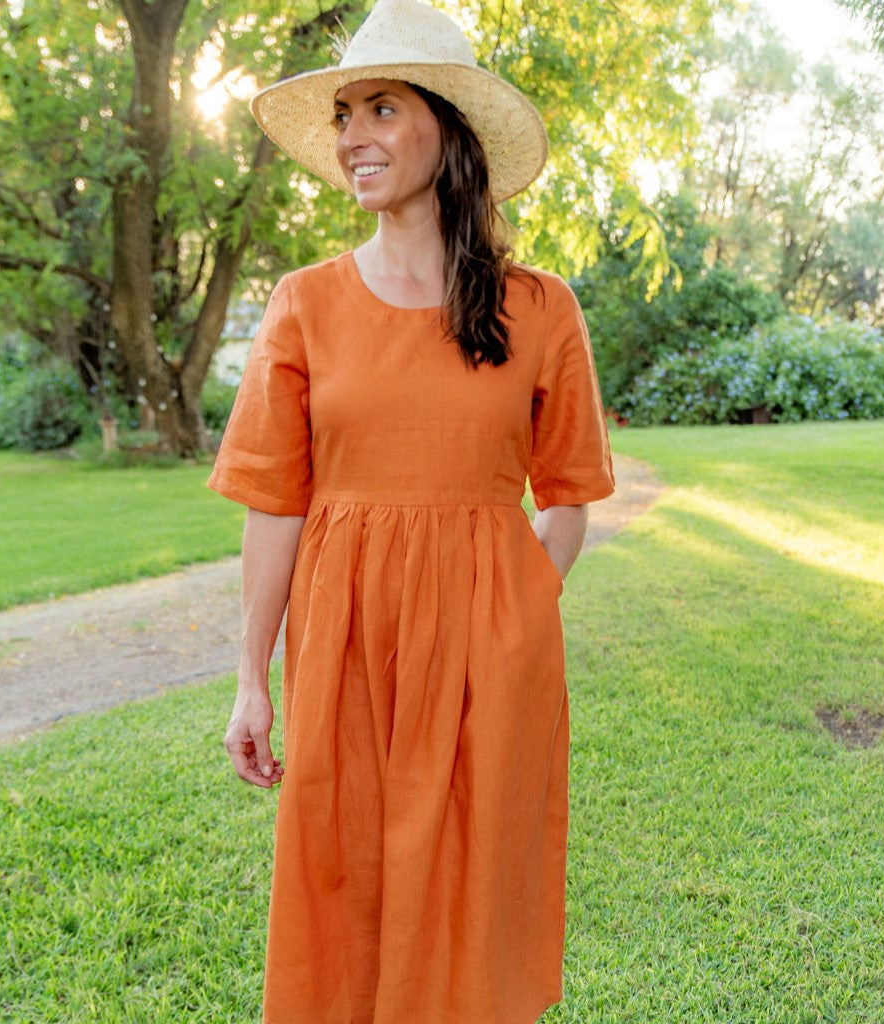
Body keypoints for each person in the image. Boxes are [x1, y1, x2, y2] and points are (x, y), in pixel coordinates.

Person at [208, 0, 615, 1021]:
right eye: (345, 113)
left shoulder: (541, 308)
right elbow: (274, 504)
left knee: (473, 884)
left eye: (380, 108)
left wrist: (516, 605)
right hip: (341, 639)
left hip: (492, 644)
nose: (352, 137)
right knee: (342, 883)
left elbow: (566, 495)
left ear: (447, 127)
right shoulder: (302, 303)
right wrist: (250, 679)